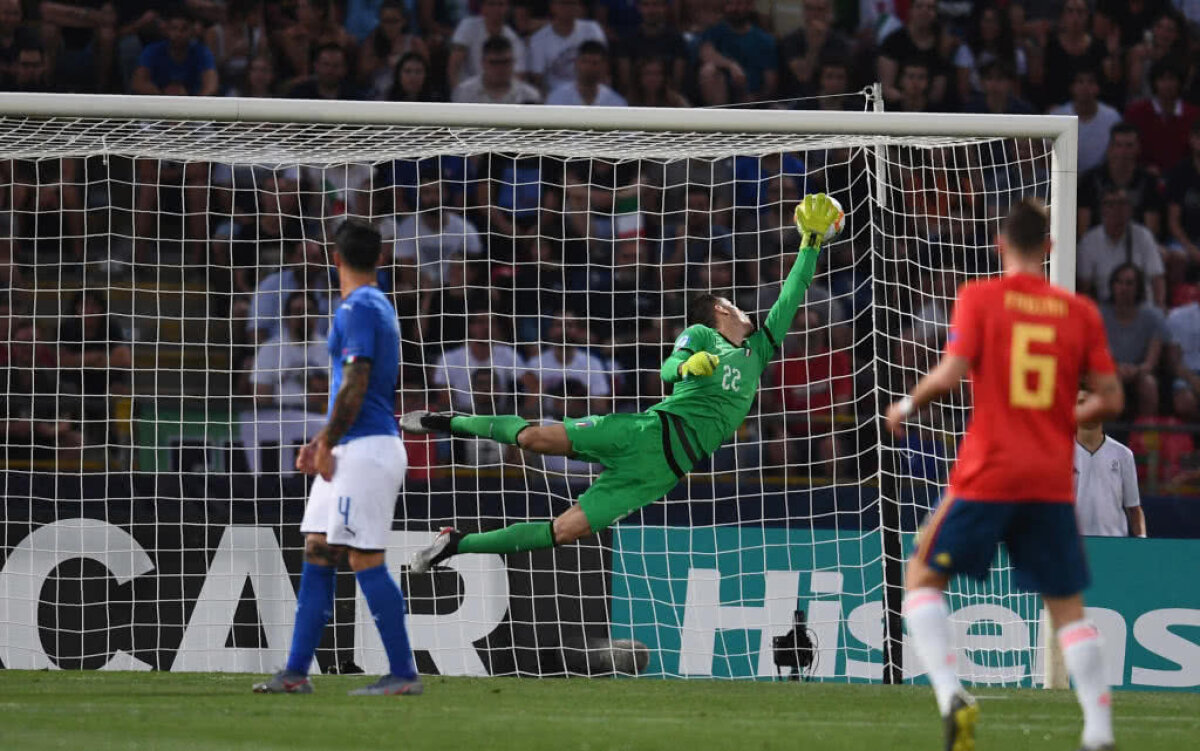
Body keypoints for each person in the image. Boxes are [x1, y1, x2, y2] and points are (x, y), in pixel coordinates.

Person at [400, 193, 838, 574]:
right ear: (721, 312)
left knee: (564, 530)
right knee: (534, 438)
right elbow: (669, 369)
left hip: (661, 472)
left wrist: (811, 242)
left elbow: (792, 292)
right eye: (735, 306)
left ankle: (456, 543)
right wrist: (689, 367)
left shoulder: (759, 349)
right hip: (645, 432)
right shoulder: (701, 335)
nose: (746, 311)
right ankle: (449, 421)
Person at [885, 198, 1123, 751]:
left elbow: (950, 375)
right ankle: (1099, 733)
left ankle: (952, 696)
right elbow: (1111, 398)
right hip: (1049, 478)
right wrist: (1063, 416)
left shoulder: (980, 298)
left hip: (988, 470)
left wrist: (906, 404)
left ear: (999, 245)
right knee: (1067, 609)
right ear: (1050, 246)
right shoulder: (1079, 312)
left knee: (921, 578)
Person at [253, 218, 420, 697]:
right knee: (318, 549)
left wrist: (324, 442)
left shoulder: (359, 307)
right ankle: (295, 673)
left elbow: (355, 382)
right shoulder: (373, 304)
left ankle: (403, 674)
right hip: (350, 445)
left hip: (365, 448)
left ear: (336, 258)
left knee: (364, 556)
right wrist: (325, 441)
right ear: (380, 258)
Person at [1075, 389, 1147, 538]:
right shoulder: (1060, 454)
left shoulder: (1123, 455)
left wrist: (1142, 541)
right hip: (1073, 543)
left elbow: (1134, 508)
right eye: (1081, 403)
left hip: (1114, 543)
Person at [1123, 60, 1200, 175]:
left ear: (1180, 82)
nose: (1167, 85)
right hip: (1144, 177)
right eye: (1162, 79)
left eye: (1171, 79)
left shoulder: (1194, 115)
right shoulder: (1135, 113)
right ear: (1154, 83)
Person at [696, 0, 777, 106]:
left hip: (753, 99)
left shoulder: (764, 40)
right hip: (724, 95)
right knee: (709, 70)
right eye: (729, 4)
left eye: (738, 4)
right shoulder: (714, 32)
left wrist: (755, 98)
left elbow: (770, 81)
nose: (733, 8)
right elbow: (706, 53)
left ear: (750, 6)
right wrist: (732, 66)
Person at [129, 6, 218, 97]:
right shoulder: (152, 51)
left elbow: (211, 87)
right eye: (174, 28)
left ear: (192, 30)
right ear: (166, 30)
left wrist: (193, 101)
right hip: (159, 101)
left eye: (184, 29)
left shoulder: (202, 53)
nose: (179, 34)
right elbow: (138, 84)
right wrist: (164, 94)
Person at [1050, 67, 1123, 174]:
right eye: (1080, 81)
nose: (1085, 87)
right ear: (1072, 87)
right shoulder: (1057, 116)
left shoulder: (1112, 117)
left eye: (1091, 82)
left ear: (1098, 88)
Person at [526, 0, 606, 94]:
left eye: (573, 3)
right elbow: (538, 79)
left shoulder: (592, 30)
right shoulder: (538, 39)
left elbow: (603, 69)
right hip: (555, 96)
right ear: (553, 6)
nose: (568, 7)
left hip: (590, 92)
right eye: (564, 3)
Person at [446, 0, 524, 90]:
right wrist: (458, 93)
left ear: (507, 8)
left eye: (501, 4)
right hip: (467, 90)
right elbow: (454, 66)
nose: (496, 8)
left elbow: (518, 76)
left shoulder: (514, 40)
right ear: (483, 8)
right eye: (491, 4)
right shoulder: (467, 26)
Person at [451, 35, 541, 105]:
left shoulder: (528, 95)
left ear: (513, 62)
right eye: (494, 62)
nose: (500, 68)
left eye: (505, 62)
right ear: (483, 63)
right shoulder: (464, 93)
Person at [545, 40, 626, 106]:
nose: (588, 67)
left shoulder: (615, 103)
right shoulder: (557, 98)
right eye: (585, 61)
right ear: (576, 63)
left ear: (604, 66)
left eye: (594, 63)